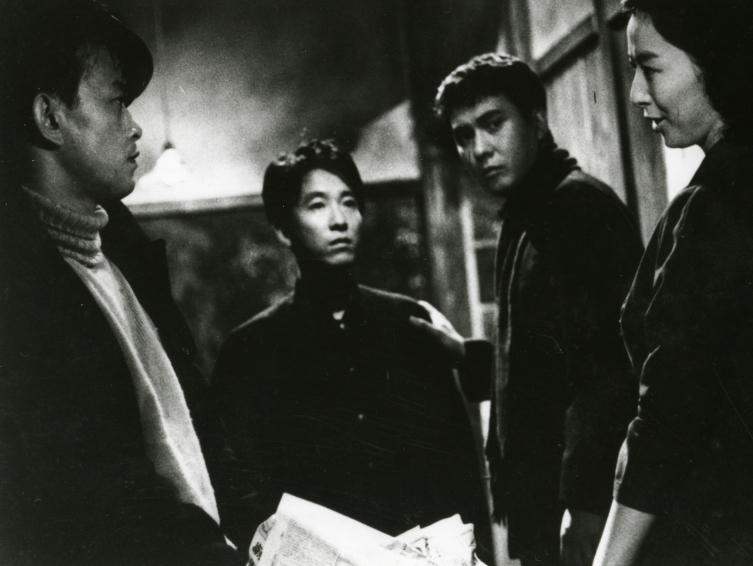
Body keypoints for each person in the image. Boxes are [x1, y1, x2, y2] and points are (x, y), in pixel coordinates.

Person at [0, 1, 238, 564]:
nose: (135, 127)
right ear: (49, 117)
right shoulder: (20, 295)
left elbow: (201, 441)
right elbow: (98, 498)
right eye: (116, 102)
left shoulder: (126, 257)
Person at [207, 140, 493, 562]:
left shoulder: (408, 322)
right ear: (284, 228)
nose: (339, 220)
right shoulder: (251, 347)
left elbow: (457, 465)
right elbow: (237, 484)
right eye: (317, 205)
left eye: (349, 202)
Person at [593, 1, 753, 564]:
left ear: (717, 62)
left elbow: (667, 418)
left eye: (650, 67)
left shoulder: (717, 207)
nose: (636, 93)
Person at [419, 53, 644, 566]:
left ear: (537, 122)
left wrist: (586, 507)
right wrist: (467, 356)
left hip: (583, 506)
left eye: (493, 123)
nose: (479, 148)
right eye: (463, 135)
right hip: (548, 501)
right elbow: (546, 365)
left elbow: (608, 373)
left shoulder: (575, 206)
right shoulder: (530, 212)